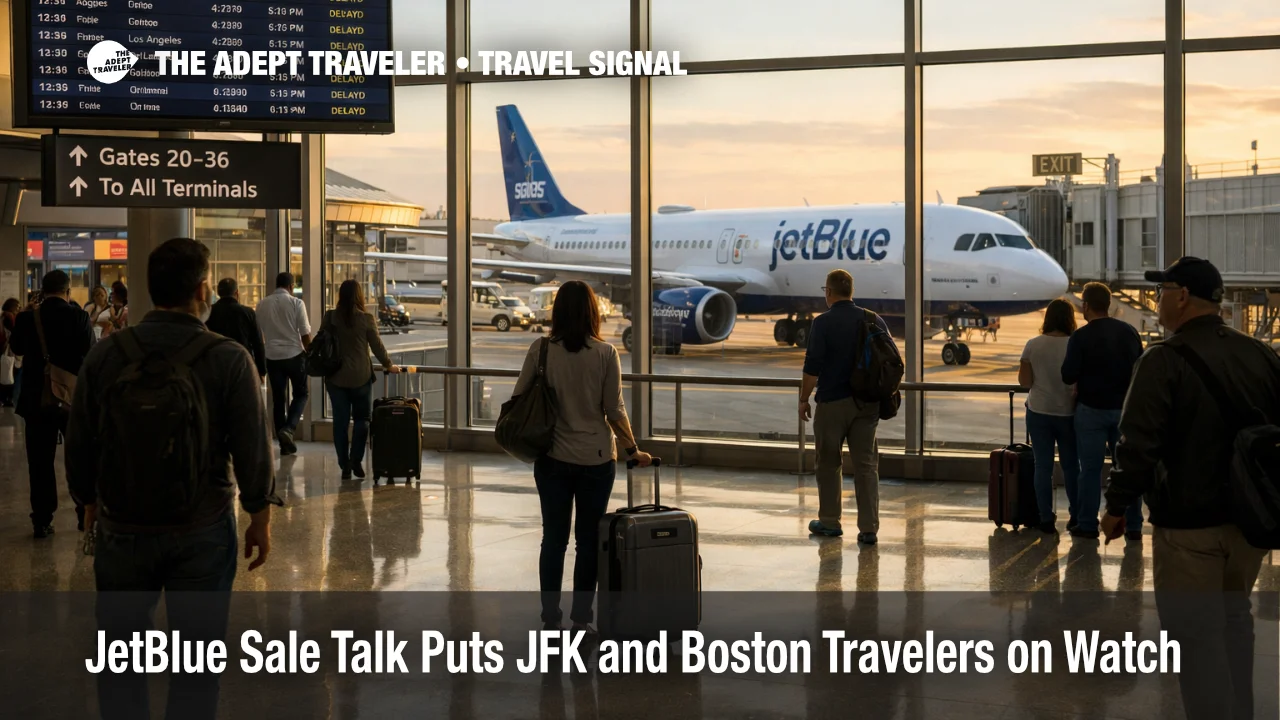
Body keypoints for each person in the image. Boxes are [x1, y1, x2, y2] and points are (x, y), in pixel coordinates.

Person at [66, 237, 280, 720]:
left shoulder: (106, 356)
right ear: (203, 289)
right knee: (196, 665)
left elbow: (80, 441)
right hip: (202, 525)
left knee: (120, 661)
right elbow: (252, 448)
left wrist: (89, 504)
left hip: (123, 527)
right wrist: (259, 516)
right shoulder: (228, 358)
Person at [1102, 257, 1280, 720]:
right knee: (1236, 622)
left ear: (1182, 297)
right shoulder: (1261, 355)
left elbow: (1137, 443)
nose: (1157, 299)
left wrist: (1117, 505)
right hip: (1247, 526)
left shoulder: (1163, 360)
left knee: (1195, 637)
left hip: (1188, 529)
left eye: (1162, 291)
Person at [512, 280, 651, 632]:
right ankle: (581, 618)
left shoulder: (540, 350)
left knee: (553, 539)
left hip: (553, 459)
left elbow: (519, 397)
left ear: (557, 312)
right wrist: (634, 449)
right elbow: (614, 409)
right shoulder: (605, 354)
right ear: (593, 312)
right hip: (596, 460)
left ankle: (549, 616)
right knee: (588, 542)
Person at [800, 268, 898, 544]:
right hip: (867, 405)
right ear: (851, 292)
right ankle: (869, 528)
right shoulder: (873, 319)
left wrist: (803, 399)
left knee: (829, 463)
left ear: (829, 292)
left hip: (832, 404)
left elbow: (812, 368)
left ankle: (830, 522)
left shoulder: (823, 323)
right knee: (867, 466)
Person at [8, 270, 93, 537]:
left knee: (39, 461)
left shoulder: (26, 318)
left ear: (42, 292)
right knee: (79, 458)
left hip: (36, 400)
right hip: (72, 401)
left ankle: (42, 520)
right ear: (68, 291)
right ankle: (82, 514)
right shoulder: (79, 316)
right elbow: (90, 355)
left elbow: (17, 349)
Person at [1060, 282, 1144, 540]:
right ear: (1109, 304)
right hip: (1123, 410)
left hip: (1091, 410)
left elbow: (1067, 374)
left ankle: (1086, 524)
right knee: (1127, 469)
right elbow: (1140, 367)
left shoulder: (1081, 337)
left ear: (1085, 306)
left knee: (1090, 470)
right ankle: (1134, 526)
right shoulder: (1129, 332)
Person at [323, 280, 400, 480]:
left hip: (336, 378)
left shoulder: (330, 317)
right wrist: (388, 364)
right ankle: (356, 459)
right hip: (360, 377)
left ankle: (344, 466)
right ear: (359, 296)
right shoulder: (366, 319)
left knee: (340, 423)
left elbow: (321, 343)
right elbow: (377, 346)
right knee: (362, 420)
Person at [1018, 299, 1080, 534]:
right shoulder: (1074, 344)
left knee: (1042, 467)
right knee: (1072, 467)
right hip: (1067, 412)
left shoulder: (1033, 345)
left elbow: (1025, 382)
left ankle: (1045, 518)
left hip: (1039, 412)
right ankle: (1075, 515)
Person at [256, 272, 312, 455]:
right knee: (301, 393)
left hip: (272, 357)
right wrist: (310, 355)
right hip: (295, 355)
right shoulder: (297, 303)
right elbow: (305, 334)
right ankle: (289, 429)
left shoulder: (262, 304)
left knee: (279, 399)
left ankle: (284, 444)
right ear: (291, 286)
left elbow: (259, 334)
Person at [205, 278, 267, 379]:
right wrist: (261, 370)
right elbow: (258, 343)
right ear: (237, 293)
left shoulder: (209, 312)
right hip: (242, 364)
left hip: (215, 364)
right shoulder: (248, 312)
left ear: (218, 292)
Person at [0, 298, 18, 407]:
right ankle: (9, 398)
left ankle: (4, 398)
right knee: (10, 373)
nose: (18, 309)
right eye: (17, 306)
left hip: (2, 349)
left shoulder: (2, 316)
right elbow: (14, 331)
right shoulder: (10, 317)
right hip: (7, 350)